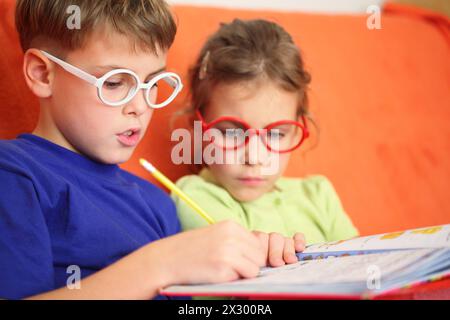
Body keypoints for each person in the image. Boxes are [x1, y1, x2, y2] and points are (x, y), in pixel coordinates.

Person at [0, 1, 305, 300]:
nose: (141, 106)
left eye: (152, 83)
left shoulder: (158, 203)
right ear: (42, 73)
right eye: (116, 83)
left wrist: (250, 265)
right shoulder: (15, 173)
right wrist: (162, 263)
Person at [174, 19, 359, 248]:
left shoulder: (318, 195)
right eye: (232, 134)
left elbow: (361, 263)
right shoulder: (194, 197)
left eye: (275, 135)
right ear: (198, 127)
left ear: (295, 131)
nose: (255, 158)